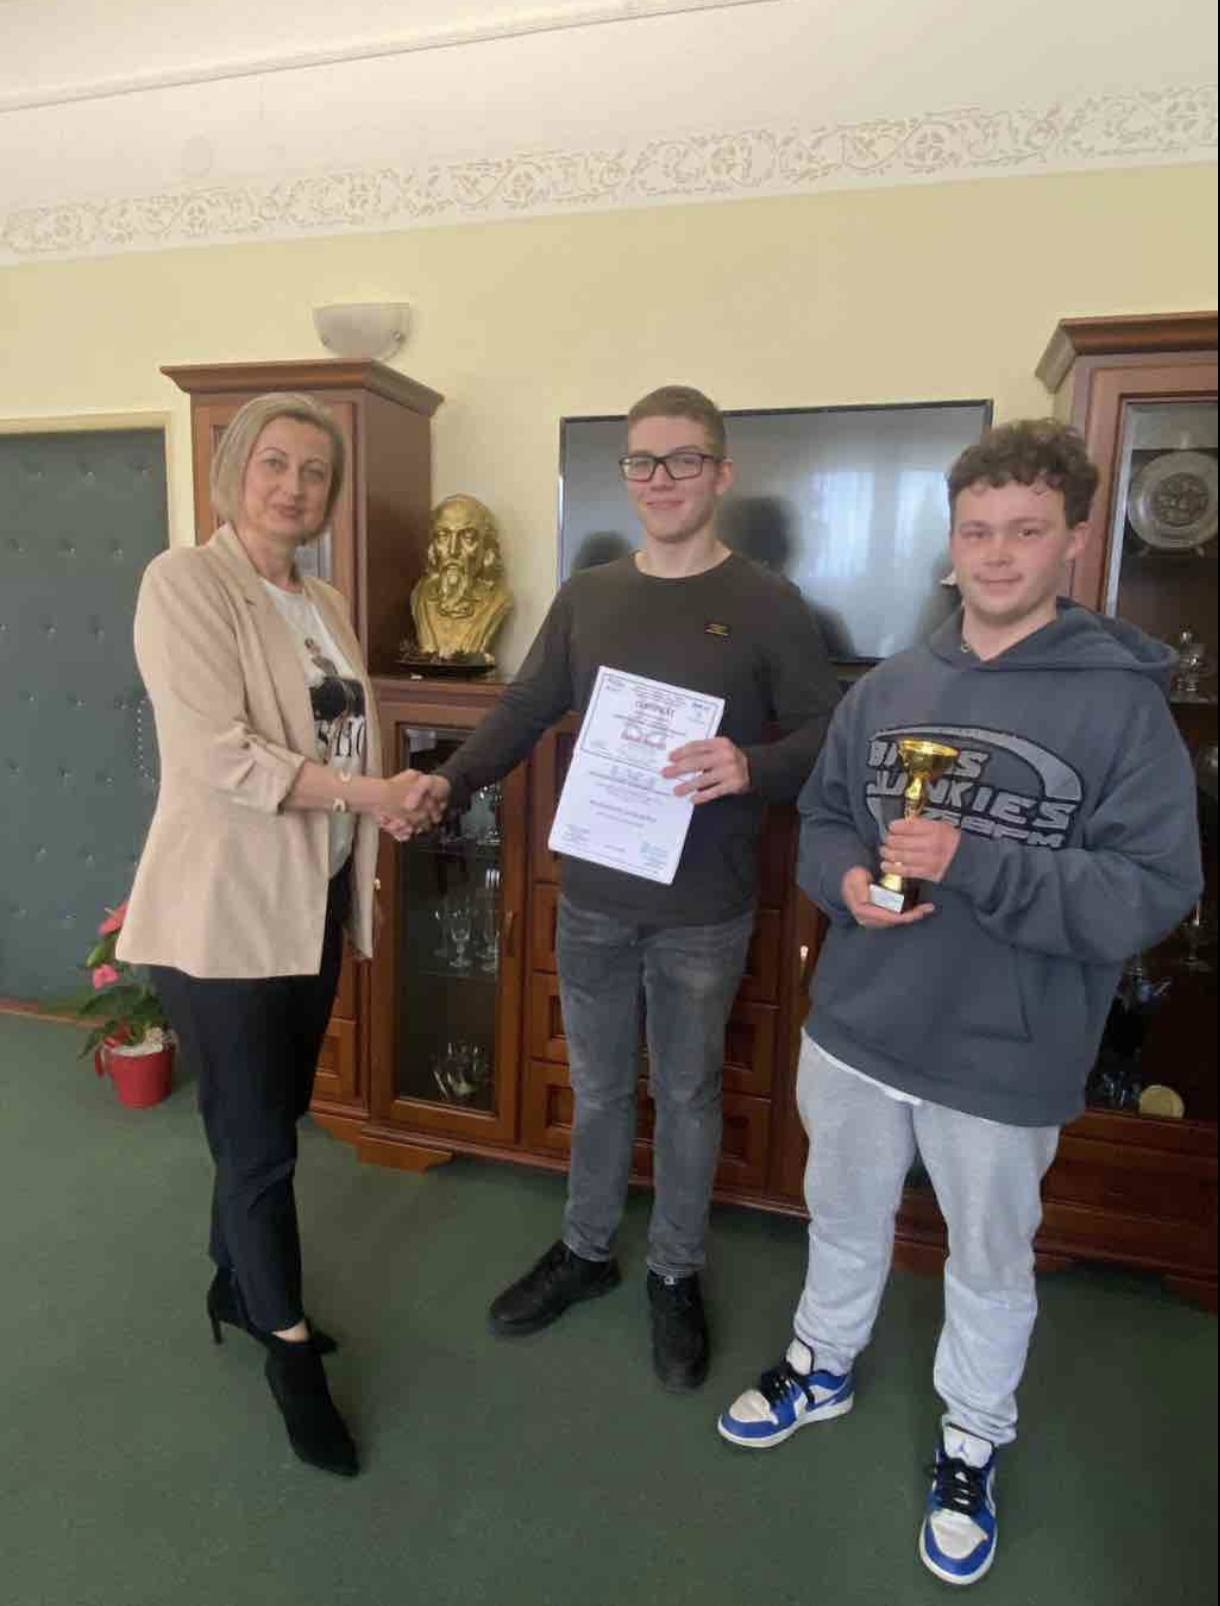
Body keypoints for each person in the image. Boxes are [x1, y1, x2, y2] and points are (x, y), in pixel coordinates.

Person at [717, 419, 1202, 1586]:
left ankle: (972, 1437)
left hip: (1003, 1051)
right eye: (975, 530)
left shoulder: (1120, 706)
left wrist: (973, 862)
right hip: (858, 1024)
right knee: (840, 1215)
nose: (993, 553)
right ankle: (821, 1361)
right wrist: (843, 881)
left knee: (988, 1258)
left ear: (1073, 540)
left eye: (1023, 531)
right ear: (949, 542)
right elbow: (825, 820)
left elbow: (1150, 890)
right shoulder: (890, 684)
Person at [397, 385, 840, 1389]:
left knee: (686, 1093)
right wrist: (447, 780)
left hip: (702, 908)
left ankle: (674, 1272)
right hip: (593, 892)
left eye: (683, 460)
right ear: (626, 475)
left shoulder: (767, 602)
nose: (660, 479)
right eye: (642, 461)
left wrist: (753, 766)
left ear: (720, 474)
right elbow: (523, 708)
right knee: (598, 1087)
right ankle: (587, 1250)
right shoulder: (588, 594)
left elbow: (828, 731)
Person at [116, 393, 433, 1478]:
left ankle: (235, 1283)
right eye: (275, 464)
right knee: (259, 1148)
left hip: (312, 903)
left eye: (314, 472)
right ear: (234, 472)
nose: (294, 486)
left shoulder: (323, 600)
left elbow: (340, 737)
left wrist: (379, 806)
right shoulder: (184, 584)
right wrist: (370, 793)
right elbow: (221, 757)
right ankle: (289, 1355)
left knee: (274, 1113)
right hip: (223, 914)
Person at [409, 493, 512, 659]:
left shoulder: (498, 600)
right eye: (443, 536)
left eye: (467, 537)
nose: (453, 550)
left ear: (486, 547)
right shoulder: (419, 596)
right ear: (432, 546)